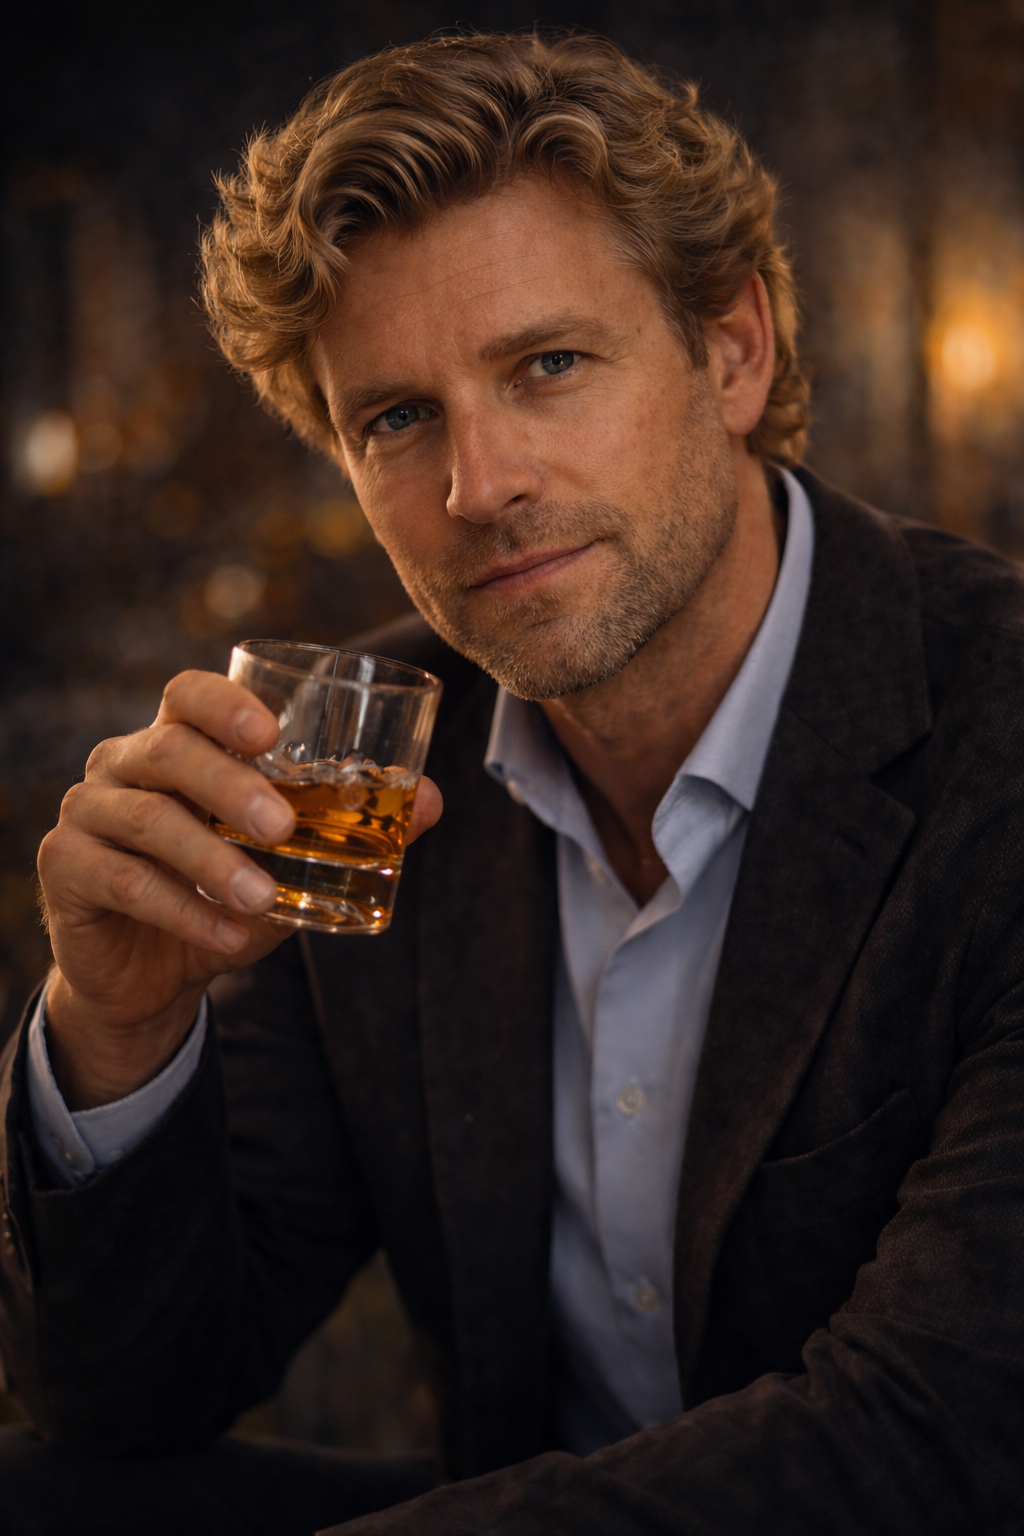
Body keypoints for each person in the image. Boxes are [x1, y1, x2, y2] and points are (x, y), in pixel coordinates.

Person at [2, 30, 1023, 1536]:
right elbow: (129, 1398)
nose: (479, 488)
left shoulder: (995, 734)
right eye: (397, 419)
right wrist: (119, 1028)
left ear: (731, 350)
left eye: (547, 365)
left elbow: (941, 1439)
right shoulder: (360, 770)